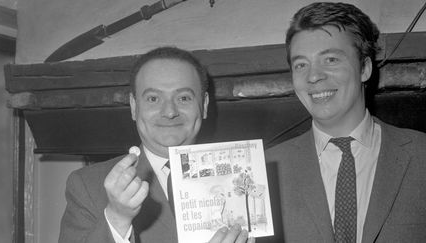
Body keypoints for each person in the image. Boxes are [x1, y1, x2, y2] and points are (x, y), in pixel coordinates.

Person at [266, 2, 426, 243]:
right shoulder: (264, 169)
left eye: (330, 59)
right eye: (301, 65)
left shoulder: (421, 153)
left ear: (365, 68)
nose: (313, 76)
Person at [59, 47, 254, 243]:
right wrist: (117, 218)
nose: (169, 111)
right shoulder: (87, 186)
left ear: (203, 105)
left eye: (183, 98)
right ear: (134, 107)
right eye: (153, 99)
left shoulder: (247, 177)